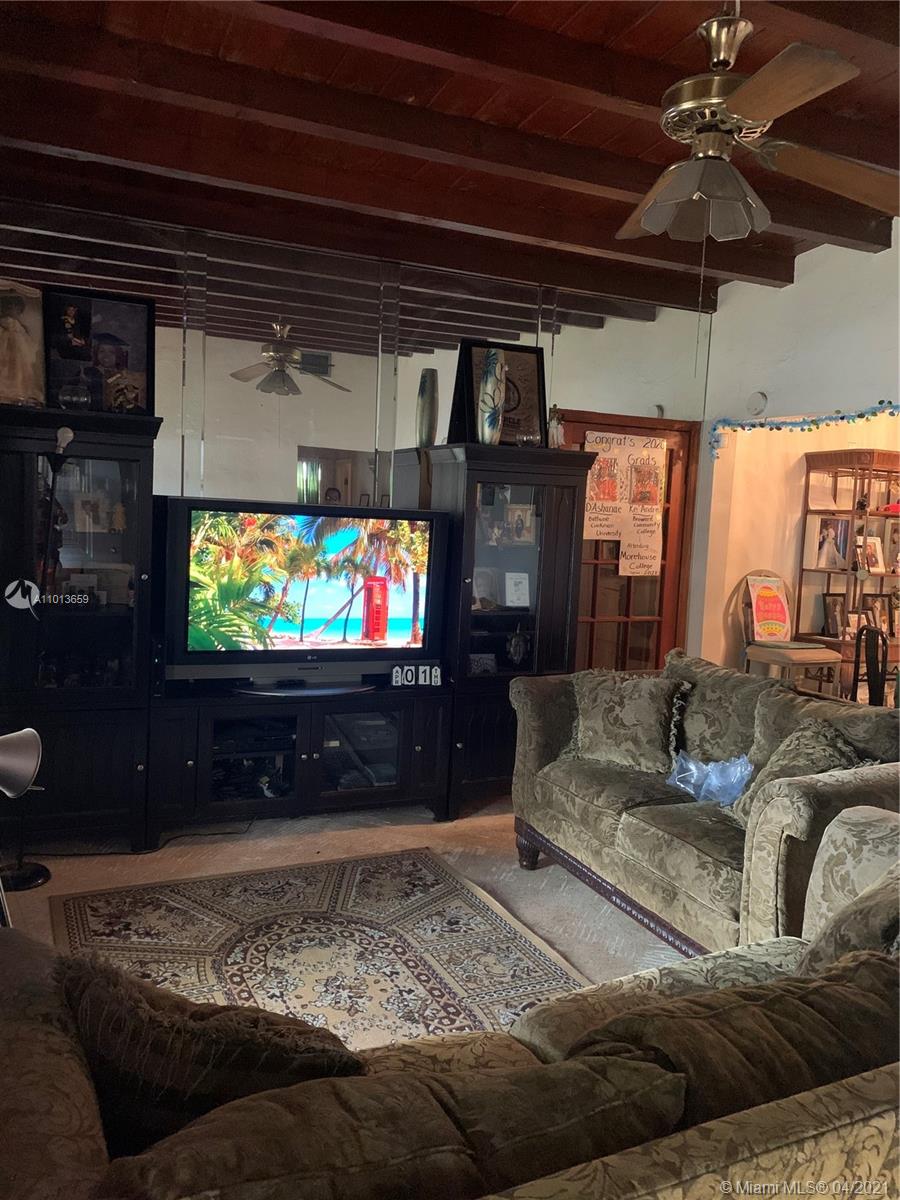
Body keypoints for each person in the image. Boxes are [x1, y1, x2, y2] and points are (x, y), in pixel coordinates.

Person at [0, 292, 41, 404]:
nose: (12, 309)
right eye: (8, 306)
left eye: (15, 306)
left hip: (21, 363)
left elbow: (31, 350)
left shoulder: (22, 329)